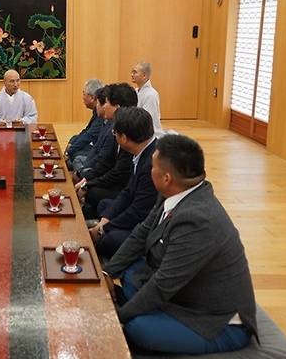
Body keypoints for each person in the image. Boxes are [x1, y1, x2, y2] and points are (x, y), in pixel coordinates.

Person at [105, 134, 257, 354]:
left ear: (166, 178)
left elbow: (164, 284)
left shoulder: (198, 220)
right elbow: (141, 234)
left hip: (215, 320)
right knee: (131, 272)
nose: (149, 170)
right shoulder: (177, 192)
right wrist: (107, 273)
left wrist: (116, 317)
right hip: (183, 291)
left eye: (152, 166)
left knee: (137, 328)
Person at [88, 107, 158, 258]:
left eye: (115, 133)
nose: (114, 136)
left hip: (149, 225)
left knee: (110, 239)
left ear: (124, 138)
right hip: (136, 209)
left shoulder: (152, 165)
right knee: (105, 206)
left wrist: (104, 228)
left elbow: (138, 212)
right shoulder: (142, 150)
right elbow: (128, 191)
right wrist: (106, 220)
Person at [73, 83, 137, 218]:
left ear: (117, 108)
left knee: (90, 188)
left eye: (106, 102)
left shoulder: (128, 134)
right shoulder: (115, 127)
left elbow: (116, 172)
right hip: (114, 179)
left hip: (123, 188)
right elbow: (106, 161)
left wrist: (87, 182)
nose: (101, 105)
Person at [65, 79, 104, 168]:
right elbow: (87, 130)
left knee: (77, 156)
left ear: (92, 98)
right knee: (74, 139)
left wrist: (70, 150)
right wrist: (72, 144)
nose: (82, 97)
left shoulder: (101, 115)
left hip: (97, 150)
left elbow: (89, 135)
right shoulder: (96, 111)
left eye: (84, 93)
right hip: (93, 144)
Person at [131, 61, 163, 136]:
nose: (132, 75)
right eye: (132, 72)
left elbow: (147, 119)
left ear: (144, 75)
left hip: (150, 135)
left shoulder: (151, 95)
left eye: (135, 72)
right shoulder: (136, 91)